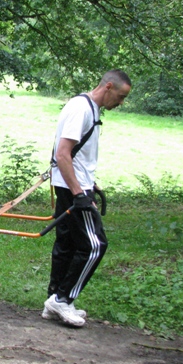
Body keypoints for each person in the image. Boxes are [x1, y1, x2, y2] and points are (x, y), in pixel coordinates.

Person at [43, 69, 131, 327]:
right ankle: (62, 299)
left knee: (67, 244)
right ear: (109, 87)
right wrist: (80, 193)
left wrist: (91, 183)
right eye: (121, 96)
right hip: (73, 189)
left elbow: (78, 155)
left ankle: (54, 302)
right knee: (95, 245)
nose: (121, 102)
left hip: (75, 185)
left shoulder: (91, 109)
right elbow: (63, 154)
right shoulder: (81, 108)